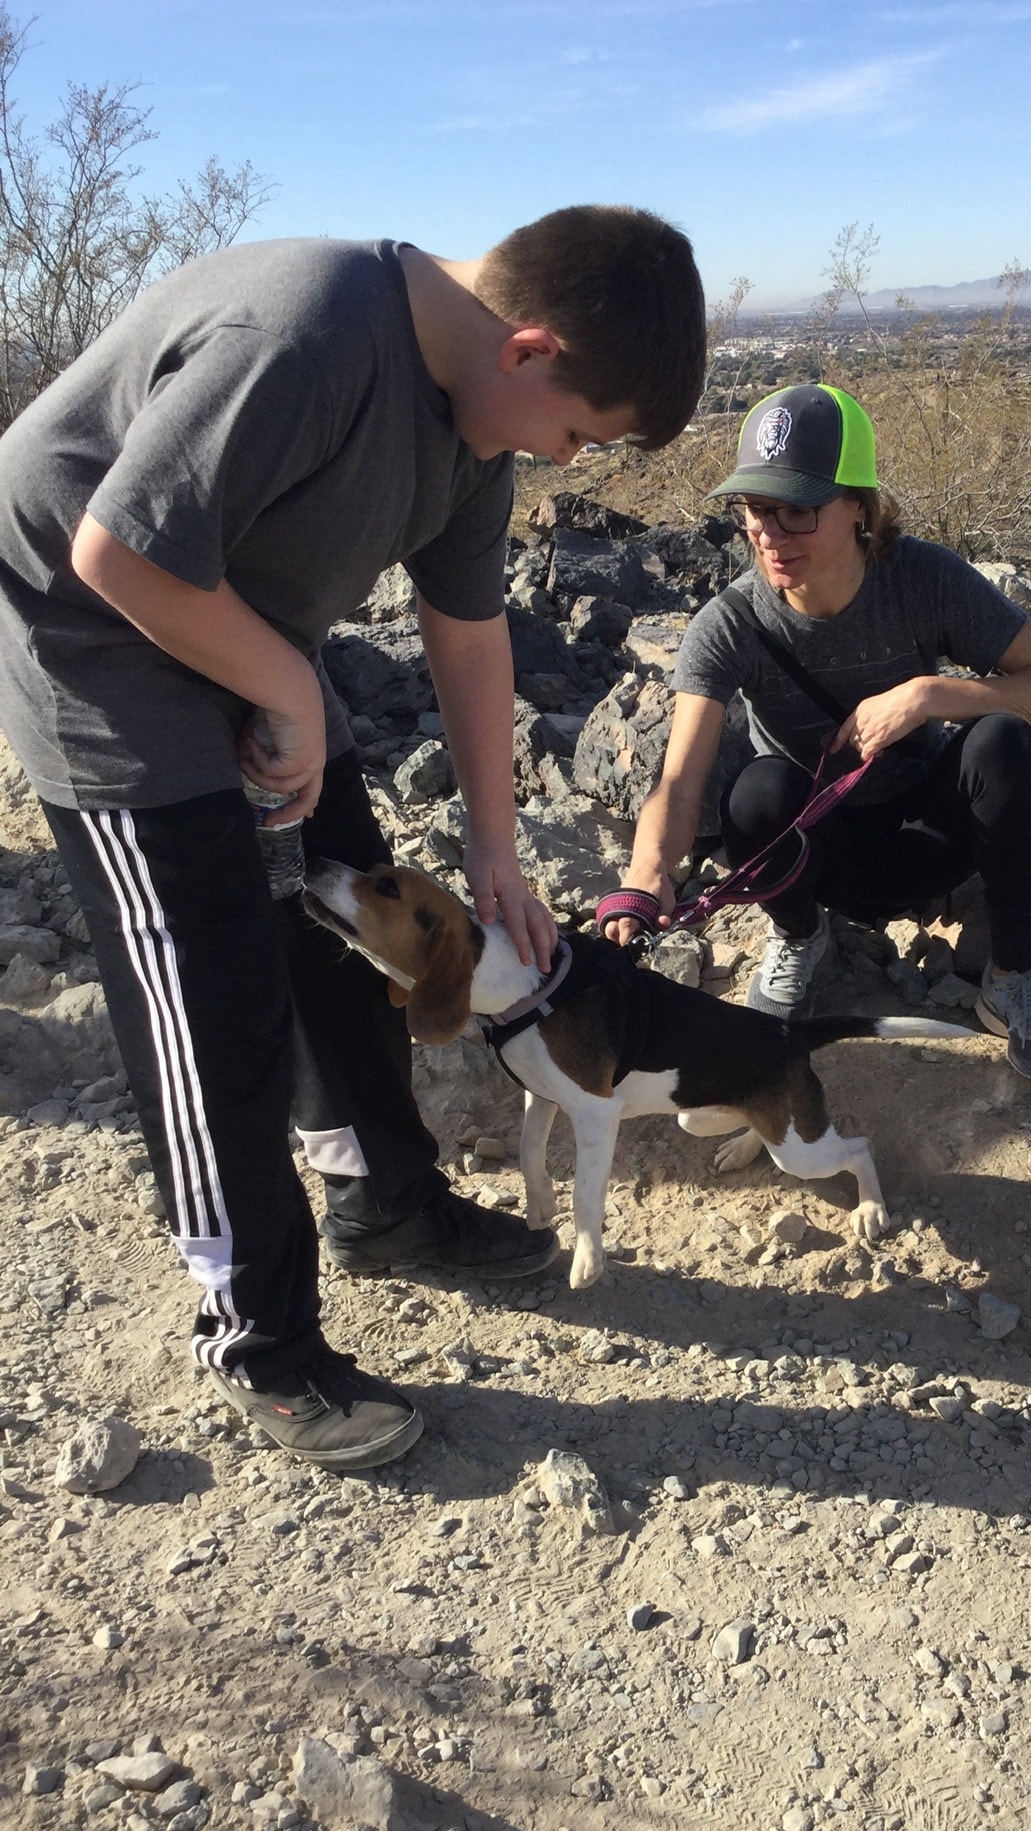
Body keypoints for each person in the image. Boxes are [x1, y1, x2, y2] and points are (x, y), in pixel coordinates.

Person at [0, 206, 706, 1470]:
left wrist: (495, 851)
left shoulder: (474, 424)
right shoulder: (308, 337)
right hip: (100, 654)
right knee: (214, 1008)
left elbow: (473, 633)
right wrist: (280, 689)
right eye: (576, 437)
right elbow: (117, 550)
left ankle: (386, 1203)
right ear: (531, 352)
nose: (560, 461)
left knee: (348, 938)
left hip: (243, 640)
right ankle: (260, 1343)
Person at [607, 383, 1031, 1080]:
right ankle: (801, 938)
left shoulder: (923, 579)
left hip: (925, 840)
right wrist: (645, 873)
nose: (770, 535)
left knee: (1004, 742)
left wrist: (930, 694)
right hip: (814, 854)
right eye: (754, 510)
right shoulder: (730, 623)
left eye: (797, 511)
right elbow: (680, 782)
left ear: (858, 509)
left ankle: (1013, 975)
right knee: (754, 789)